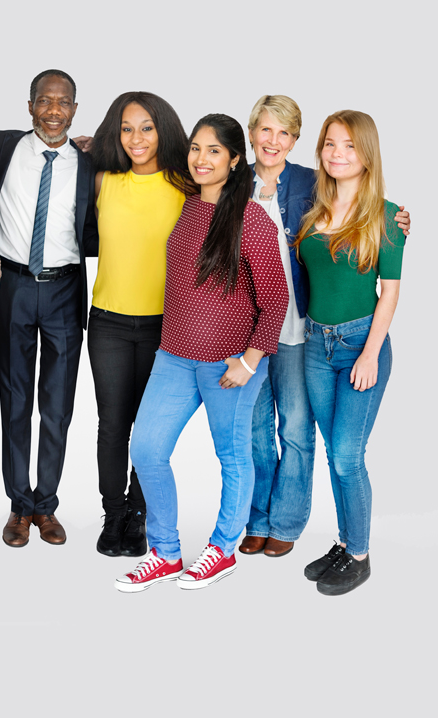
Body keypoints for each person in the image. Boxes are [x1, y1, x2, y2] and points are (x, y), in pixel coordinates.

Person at [117, 113, 288, 593]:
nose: (201, 158)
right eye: (196, 148)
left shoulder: (251, 218)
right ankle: (165, 553)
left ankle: (223, 548)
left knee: (232, 457)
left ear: (235, 160)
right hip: (173, 355)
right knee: (147, 449)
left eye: (214, 150)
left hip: (230, 363)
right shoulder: (189, 208)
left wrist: (251, 360)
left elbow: (275, 298)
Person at [240, 97, 410, 559]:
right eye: (265, 130)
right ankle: (258, 520)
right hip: (250, 331)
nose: (273, 141)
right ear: (251, 132)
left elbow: (371, 218)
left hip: (305, 331)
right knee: (254, 430)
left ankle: (291, 525)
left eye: (285, 133)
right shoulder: (234, 183)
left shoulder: (313, 183)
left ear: (295, 140)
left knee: (300, 430)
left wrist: (396, 219)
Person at [0, 70, 97, 548]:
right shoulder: (1, 146)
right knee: (15, 400)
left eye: (63, 102)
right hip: (12, 286)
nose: (54, 110)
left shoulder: (90, 162)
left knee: (57, 406)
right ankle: (19, 506)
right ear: (30, 105)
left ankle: (46, 505)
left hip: (64, 290)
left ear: (75, 110)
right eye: (45, 100)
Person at [296, 110, 403, 596]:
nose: (338, 154)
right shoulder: (312, 211)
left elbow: (391, 290)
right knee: (333, 451)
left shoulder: (387, 215)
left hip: (362, 343)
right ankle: (344, 541)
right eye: (330, 144)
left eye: (350, 147)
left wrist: (371, 354)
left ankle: (359, 555)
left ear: (367, 155)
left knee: (346, 454)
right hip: (316, 345)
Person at [86, 91, 195, 557]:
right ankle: (113, 516)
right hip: (108, 322)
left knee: (148, 428)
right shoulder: (102, 181)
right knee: (112, 424)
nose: (137, 138)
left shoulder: (186, 184)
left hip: (165, 328)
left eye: (147, 127)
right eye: (127, 128)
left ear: (163, 130)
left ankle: (138, 514)